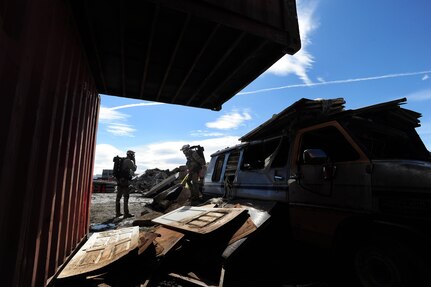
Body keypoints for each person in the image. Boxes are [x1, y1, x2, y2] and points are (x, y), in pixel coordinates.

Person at [115, 150, 137, 218]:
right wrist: (134, 162)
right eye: (133, 155)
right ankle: (126, 213)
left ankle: (118, 213)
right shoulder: (128, 161)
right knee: (126, 197)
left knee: (118, 197)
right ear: (131, 155)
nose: (133, 156)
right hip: (125, 181)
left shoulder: (122, 161)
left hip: (119, 181)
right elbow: (134, 169)